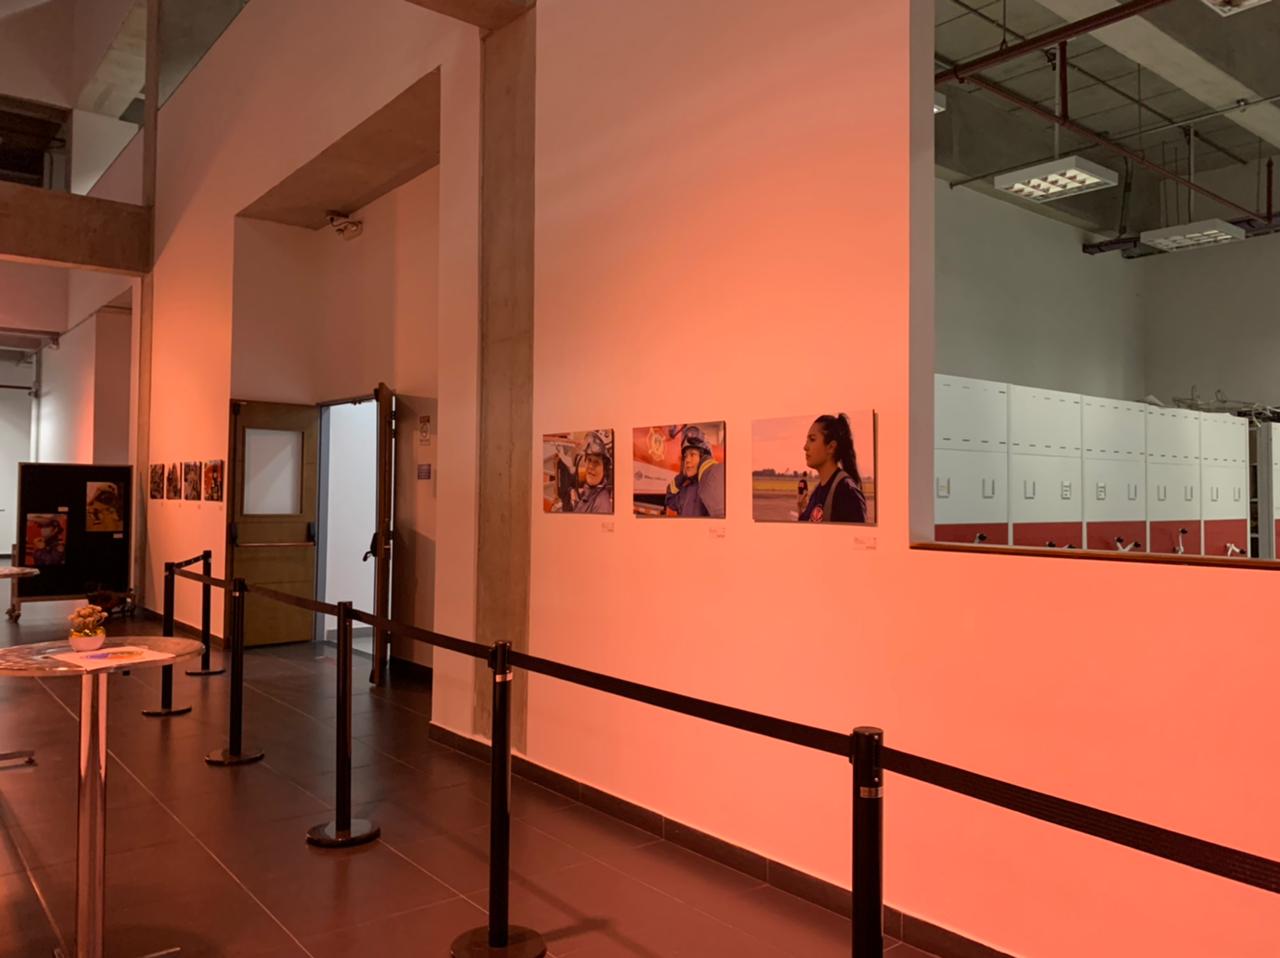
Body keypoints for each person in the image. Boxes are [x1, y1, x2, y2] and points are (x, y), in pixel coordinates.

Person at [798, 413, 867, 523]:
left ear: (831, 447)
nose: (805, 447)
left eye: (812, 439)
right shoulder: (817, 492)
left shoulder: (846, 493)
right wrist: (801, 509)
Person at [664, 425, 725, 517]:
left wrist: (707, 469)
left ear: (703, 458)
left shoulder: (712, 483)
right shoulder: (685, 488)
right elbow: (670, 500)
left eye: (692, 454)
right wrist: (681, 477)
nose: (687, 460)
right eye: (685, 456)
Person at [572, 431, 613, 514]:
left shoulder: (601, 505)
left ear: (605, 470)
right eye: (589, 460)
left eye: (596, 462)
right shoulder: (587, 493)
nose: (590, 466)